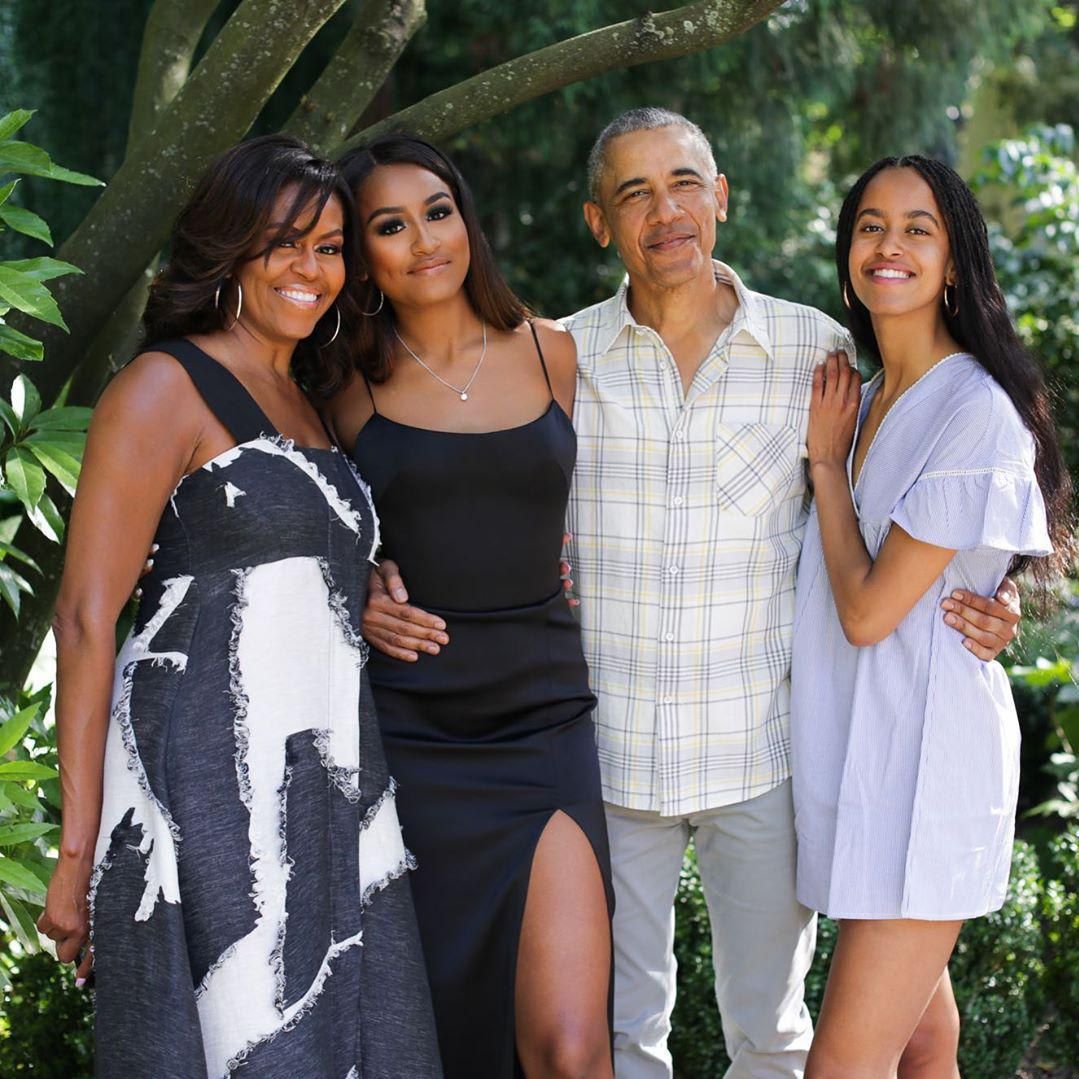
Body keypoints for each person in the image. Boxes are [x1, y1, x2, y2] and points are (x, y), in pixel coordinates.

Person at [362, 109, 1022, 1078]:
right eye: (631, 192)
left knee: (772, 1035)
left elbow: (932, 488)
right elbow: (459, 483)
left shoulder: (819, 357)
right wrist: (368, 572)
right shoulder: (557, 359)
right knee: (623, 1039)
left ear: (719, 198)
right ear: (598, 221)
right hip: (607, 758)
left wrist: (992, 597)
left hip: (760, 757)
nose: (661, 210)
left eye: (681, 183)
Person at [37, 135, 442, 1079]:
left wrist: (366, 592)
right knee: (251, 1038)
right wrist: (76, 849)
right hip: (205, 781)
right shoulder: (162, 387)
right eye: (284, 243)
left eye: (332, 246)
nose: (312, 269)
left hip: (323, 774)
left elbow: (295, 575)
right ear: (227, 248)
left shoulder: (307, 399)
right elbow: (86, 619)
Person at [323, 133, 614, 1079]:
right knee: (444, 1042)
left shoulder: (554, 350)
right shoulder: (339, 387)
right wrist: (355, 586)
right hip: (413, 734)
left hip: (544, 724)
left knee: (571, 1049)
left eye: (436, 211)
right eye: (389, 226)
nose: (423, 240)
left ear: (466, 218)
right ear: (362, 254)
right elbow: (294, 526)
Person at [792, 155, 1071, 1078]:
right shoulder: (865, 398)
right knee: (921, 1039)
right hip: (863, 753)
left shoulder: (971, 411)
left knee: (840, 1065)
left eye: (918, 228)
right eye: (870, 224)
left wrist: (826, 471)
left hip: (925, 768)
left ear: (953, 261)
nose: (889, 245)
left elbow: (869, 612)